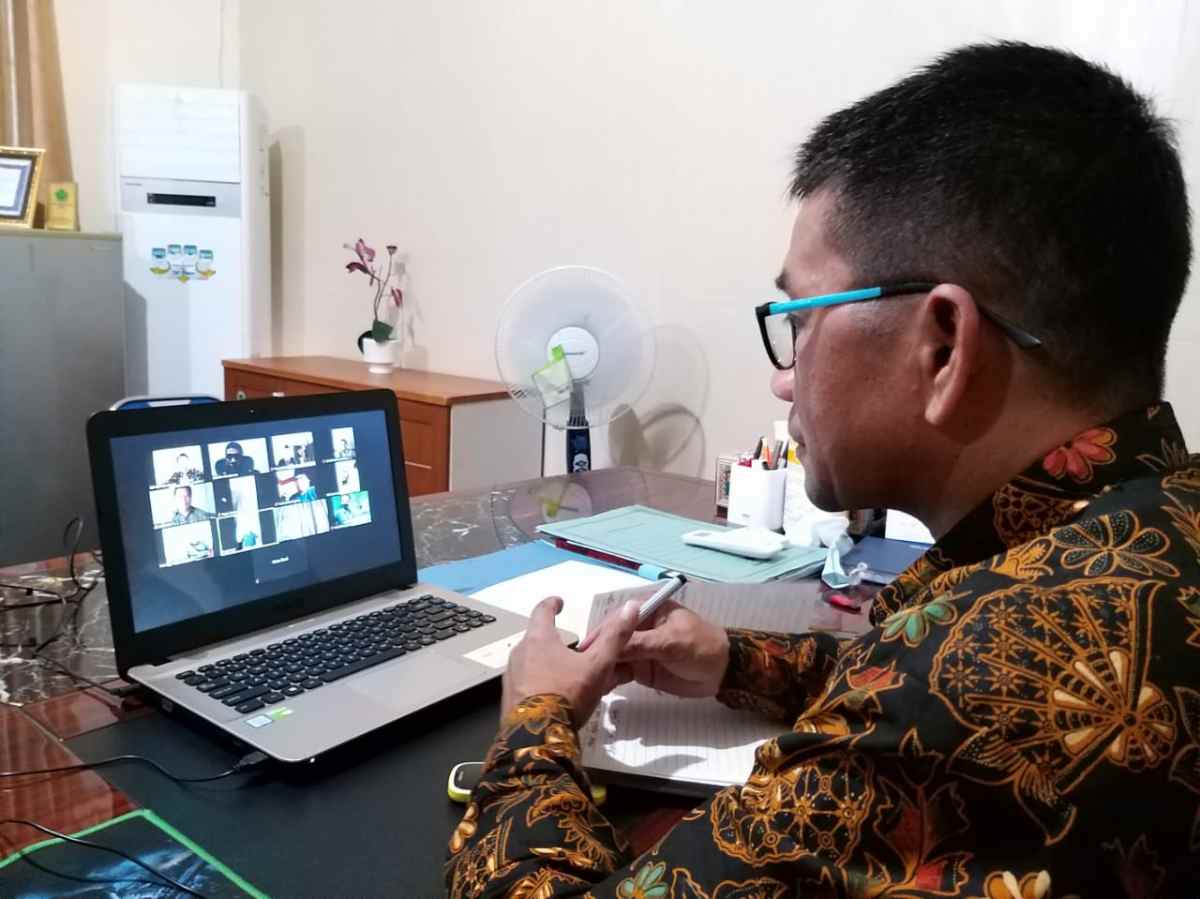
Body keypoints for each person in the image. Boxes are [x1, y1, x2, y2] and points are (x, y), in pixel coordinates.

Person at [446, 42, 1199, 896]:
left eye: (800, 318)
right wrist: (736, 660)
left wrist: (535, 718)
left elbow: (938, 690)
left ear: (943, 346)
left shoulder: (975, 685)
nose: (783, 377)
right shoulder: (1151, 532)